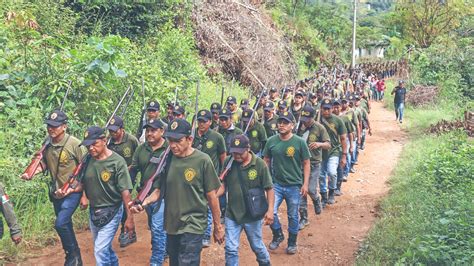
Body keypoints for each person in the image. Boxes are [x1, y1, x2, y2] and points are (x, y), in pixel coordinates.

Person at [130, 119, 225, 266]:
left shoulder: (202, 161)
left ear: (189, 139)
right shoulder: (166, 160)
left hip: (193, 224)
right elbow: (159, 190)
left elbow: (212, 196)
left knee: (187, 262)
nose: (173, 145)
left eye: (178, 141)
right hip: (172, 224)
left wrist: (218, 226)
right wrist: (143, 202)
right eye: (170, 140)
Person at [60, 126, 134, 266]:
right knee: (103, 248)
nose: (91, 148)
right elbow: (82, 183)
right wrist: (69, 190)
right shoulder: (87, 160)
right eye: (88, 146)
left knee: (100, 250)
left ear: (104, 141)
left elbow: (125, 193)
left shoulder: (117, 162)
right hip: (94, 211)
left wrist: (129, 218)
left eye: (94, 144)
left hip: (113, 210)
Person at [21, 109, 85, 266]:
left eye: (55, 126)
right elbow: (44, 163)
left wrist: (84, 194)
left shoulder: (75, 144)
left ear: (64, 126)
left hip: (73, 191)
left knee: (60, 223)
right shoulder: (47, 142)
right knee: (65, 224)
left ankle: (72, 256)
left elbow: (85, 168)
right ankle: (73, 256)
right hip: (57, 192)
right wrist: (32, 172)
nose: (51, 129)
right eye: (49, 125)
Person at [217, 135, 274, 266]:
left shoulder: (259, 164)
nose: (236, 156)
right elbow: (223, 185)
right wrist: (213, 196)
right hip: (233, 214)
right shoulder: (228, 162)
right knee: (230, 249)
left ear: (248, 148)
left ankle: (265, 263)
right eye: (234, 152)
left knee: (257, 246)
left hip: (252, 215)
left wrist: (270, 210)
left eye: (240, 153)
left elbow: (269, 188)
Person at [263, 111, 310, 254]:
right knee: (271, 211)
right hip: (276, 185)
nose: (281, 125)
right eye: (280, 122)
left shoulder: (299, 142)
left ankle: (292, 242)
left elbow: (307, 163)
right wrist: (267, 180)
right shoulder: (271, 141)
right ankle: (278, 235)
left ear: (292, 125)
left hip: (294, 185)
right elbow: (266, 161)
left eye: (285, 123)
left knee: (293, 215)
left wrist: (305, 183)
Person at [129, 119, 168, 265]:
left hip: (164, 195)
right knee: (154, 226)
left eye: (153, 130)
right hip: (145, 195)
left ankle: (156, 260)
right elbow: (133, 170)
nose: (149, 133)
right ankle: (165, 249)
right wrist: (128, 190)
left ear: (162, 131)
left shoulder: (169, 149)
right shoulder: (141, 149)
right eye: (148, 130)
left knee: (158, 228)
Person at [192, 109, 226, 247]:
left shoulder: (217, 137)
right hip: (193, 176)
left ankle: (206, 234)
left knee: (210, 203)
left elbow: (223, 156)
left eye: (204, 121)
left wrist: (222, 175)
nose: (201, 123)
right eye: (199, 121)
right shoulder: (191, 135)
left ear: (210, 122)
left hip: (211, 176)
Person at [106, 115, 139, 247]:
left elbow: (138, 158)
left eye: (115, 130)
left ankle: (127, 231)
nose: (113, 133)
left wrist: (130, 169)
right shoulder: (109, 142)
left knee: (126, 202)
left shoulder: (131, 140)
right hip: (112, 179)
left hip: (128, 177)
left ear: (122, 129)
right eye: (110, 131)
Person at [297, 105, 330, 230]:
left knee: (310, 189)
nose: (305, 121)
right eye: (303, 118)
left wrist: (319, 144)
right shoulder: (299, 127)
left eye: (307, 119)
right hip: (299, 163)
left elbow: (328, 144)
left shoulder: (319, 128)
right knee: (301, 191)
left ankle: (316, 199)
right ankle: (304, 218)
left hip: (314, 163)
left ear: (313, 117)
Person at [318, 99, 347, 208]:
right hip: (320, 152)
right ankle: (323, 196)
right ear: (321, 108)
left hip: (334, 151)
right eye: (324, 108)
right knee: (321, 175)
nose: (326, 111)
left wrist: (344, 155)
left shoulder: (338, 121)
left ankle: (331, 192)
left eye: (328, 108)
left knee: (332, 172)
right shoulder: (317, 120)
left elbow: (343, 138)